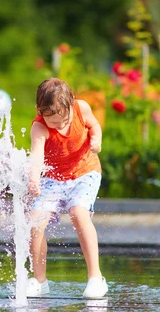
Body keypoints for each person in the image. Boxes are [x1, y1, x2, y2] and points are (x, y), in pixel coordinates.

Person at [27, 77, 108, 299]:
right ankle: (39, 280)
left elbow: (94, 126)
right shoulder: (39, 128)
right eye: (54, 122)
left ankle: (96, 278)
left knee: (78, 212)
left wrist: (97, 140)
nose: (60, 126)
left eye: (64, 121)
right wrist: (33, 179)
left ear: (71, 105)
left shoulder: (81, 109)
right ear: (40, 111)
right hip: (53, 179)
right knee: (35, 219)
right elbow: (36, 157)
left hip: (85, 172)